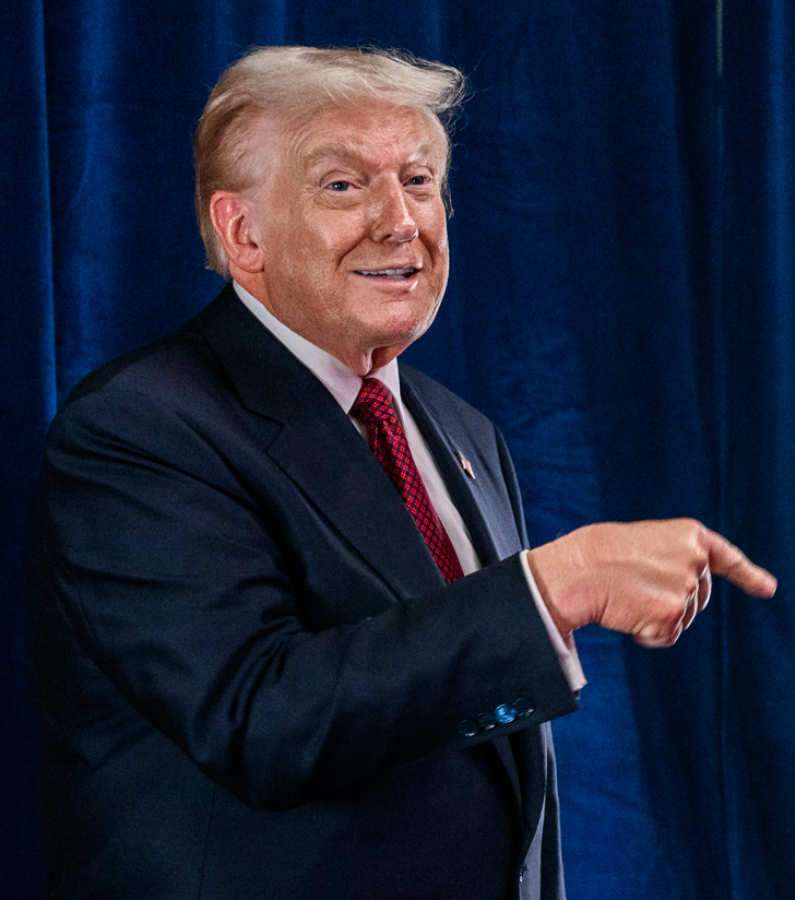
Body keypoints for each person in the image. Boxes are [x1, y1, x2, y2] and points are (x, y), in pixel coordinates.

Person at [28, 46, 776, 900]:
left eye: (418, 182)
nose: (398, 222)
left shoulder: (463, 430)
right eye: (343, 186)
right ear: (243, 233)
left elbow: (485, 751)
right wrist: (553, 587)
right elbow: (260, 718)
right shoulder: (140, 427)